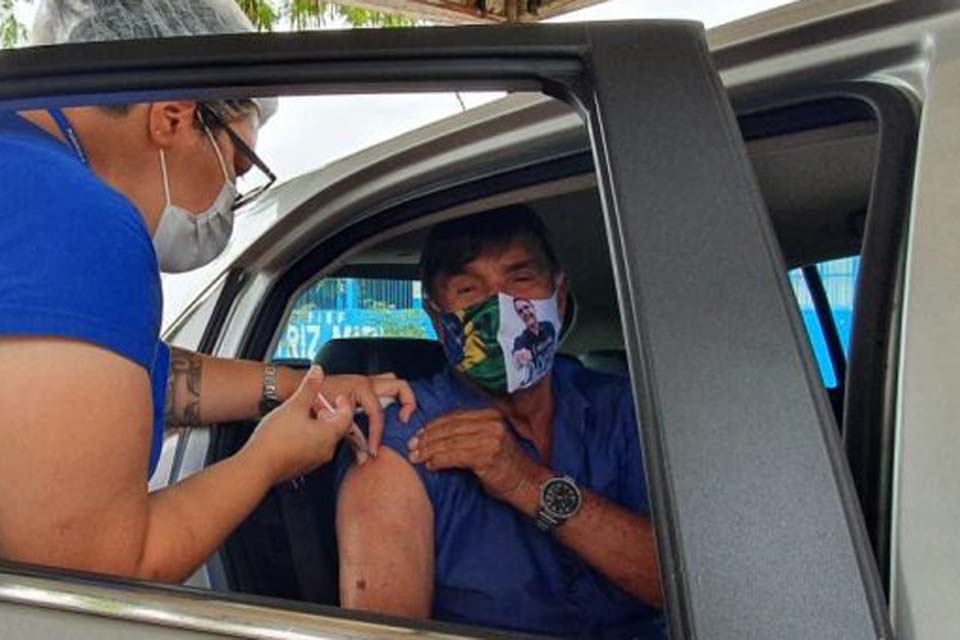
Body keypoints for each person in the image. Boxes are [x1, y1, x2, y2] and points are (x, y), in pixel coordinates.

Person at [0, 0, 414, 583]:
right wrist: (268, 458)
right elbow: (96, 576)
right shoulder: (77, 219)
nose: (229, 197)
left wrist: (302, 385)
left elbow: (122, 382)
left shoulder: (19, 168)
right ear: (171, 117)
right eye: (238, 166)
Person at [336, 206, 666, 639]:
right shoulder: (400, 438)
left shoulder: (622, 408)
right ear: (438, 320)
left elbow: (690, 582)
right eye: (469, 288)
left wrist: (526, 482)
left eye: (521, 279)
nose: (500, 306)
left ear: (559, 299)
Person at [511, 296, 557, 385]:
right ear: (519, 317)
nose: (525, 312)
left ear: (533, 308)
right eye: (520, 311)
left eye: (526, 307)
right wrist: (519, 357)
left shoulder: (548, 326)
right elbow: (517, 353)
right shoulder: (521, 340)